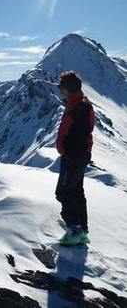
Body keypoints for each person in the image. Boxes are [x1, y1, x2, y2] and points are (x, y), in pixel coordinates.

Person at [55, 71, 95, 246]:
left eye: (61, 87)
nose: (59, 90)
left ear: (66, 89)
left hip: (74, 156)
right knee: (76, 191)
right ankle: (81, 230)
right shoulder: (77, 104)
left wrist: (70, 153)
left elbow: (79, 134)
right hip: (78, 155)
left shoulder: (79, 108)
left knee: (64, 192)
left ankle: (75, 230)